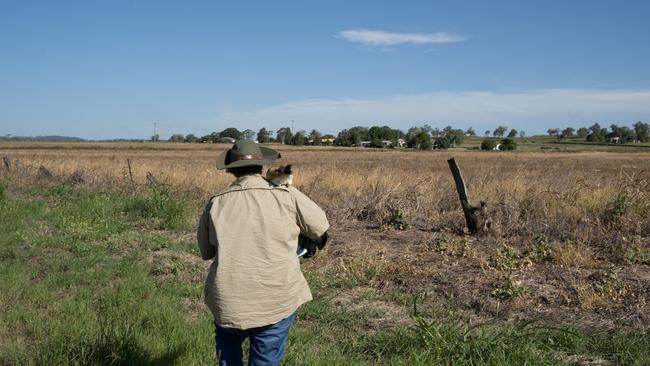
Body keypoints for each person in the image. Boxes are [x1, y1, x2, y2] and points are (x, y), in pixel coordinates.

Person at [197, 140, 329, 366]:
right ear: (262, 166)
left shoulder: (215, 204)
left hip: (228, 301)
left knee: (228, 355)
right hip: (276, 299)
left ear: (229, 170)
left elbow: (206, 251)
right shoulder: (286, 195)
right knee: (266, 358)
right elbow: (321, 227)